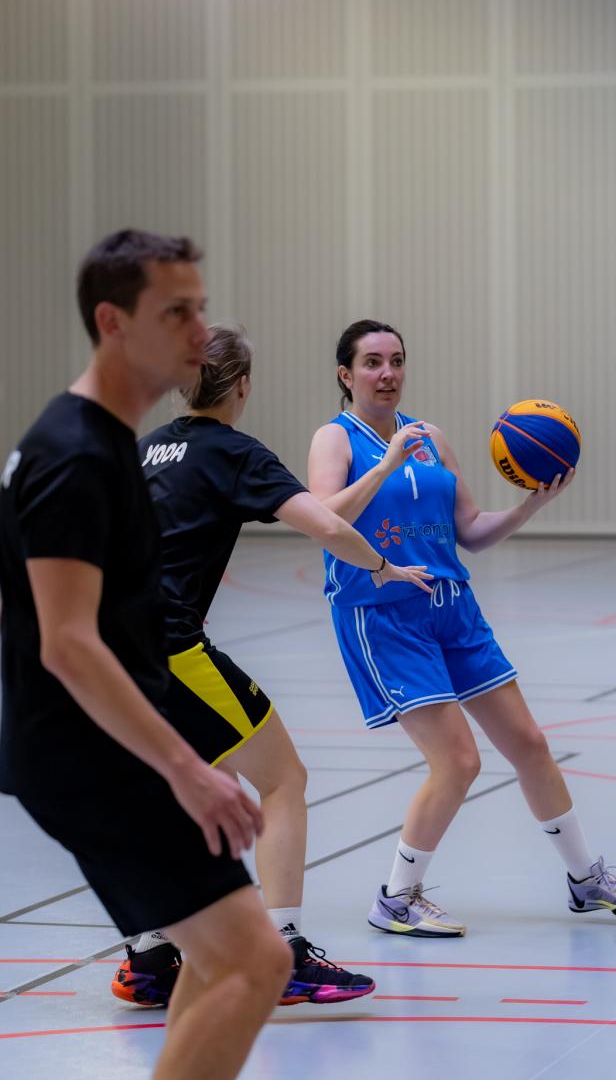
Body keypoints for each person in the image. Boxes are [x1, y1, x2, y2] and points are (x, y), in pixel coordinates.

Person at [0, 230, 293, 1080]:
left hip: (105, 745)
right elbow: (67, 643)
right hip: (91, 759)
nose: (200, 330)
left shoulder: (106, 441)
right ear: (112, 322)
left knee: (217, 955)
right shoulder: (75, 455)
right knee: (256, 960)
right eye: (176, 312)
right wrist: (186, 768)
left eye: (200, 308)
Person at [112, 324, 431, 1007]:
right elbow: (323, 523)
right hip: (169, 647)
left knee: (202, 785)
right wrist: (382, 567)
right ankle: (281, 951)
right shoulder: (235, 452)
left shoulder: (145, 449)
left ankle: (150, 953)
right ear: (242, 386)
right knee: (284, 779)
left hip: (111, 650)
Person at [307, 319, 616, 938]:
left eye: (396, 360)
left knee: (529, 743)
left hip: (453, 606)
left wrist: (529, 505)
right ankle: (396, 898)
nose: (387, 373)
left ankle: (585, 880)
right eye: (372, 362)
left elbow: (469, 530)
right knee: (458, 761)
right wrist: (385, 466)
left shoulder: (430, 437)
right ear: (346, 374)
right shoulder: (334, 439)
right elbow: (323, 520)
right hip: (385, 611)